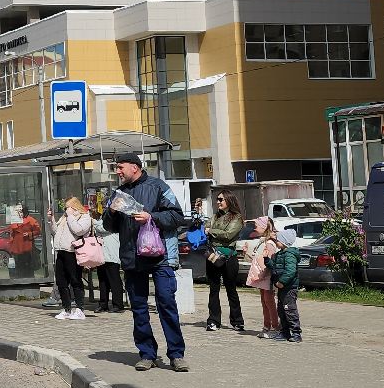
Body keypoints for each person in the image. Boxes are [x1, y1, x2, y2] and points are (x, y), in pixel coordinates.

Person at [102, 152, 187, 372]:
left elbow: (178, 217)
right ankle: (147, 354)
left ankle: (176, 354)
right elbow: (109, 227)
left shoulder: (158, 186)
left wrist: (152, 218)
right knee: (139, 308)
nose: (118, 172)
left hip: (160, 258)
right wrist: (111, 211)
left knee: (166, 304)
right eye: (116, 168)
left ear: (135, 167)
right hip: (132, 259)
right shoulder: (118, 193)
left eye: (121, 167)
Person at [204, 191, 247, 333]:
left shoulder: (237, 217)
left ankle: (237, 321)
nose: (218, 202)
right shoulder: (215, 216)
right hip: (213, 256)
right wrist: (210, 230)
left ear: (228, 200)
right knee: (213, 289)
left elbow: (229, 235)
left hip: (229, 257)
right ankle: (213, 321)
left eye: (221, 199)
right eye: (217, 199)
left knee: (231, 290)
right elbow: (206, 227)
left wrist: (211, 231)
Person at [50, 198, 95, 320]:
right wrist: (52, 220)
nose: (66, 209)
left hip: (73, 252)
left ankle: (80, 309)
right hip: (61, 250)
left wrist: (70, 216)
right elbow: (55, 232)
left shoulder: (84, 216)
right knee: (61, 281)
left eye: (68, 206)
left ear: (74, 206)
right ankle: (66, 308)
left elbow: (79, 230)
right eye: (65, 207)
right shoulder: (64, 217)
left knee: (75, 280)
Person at [244, 218, 283, 339]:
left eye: (256, 225)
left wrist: (265, 274)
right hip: (261, 277)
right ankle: (267, 325)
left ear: (264, 227)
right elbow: (258, 259)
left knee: (269, 301)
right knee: (264, 301)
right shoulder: (262, 242)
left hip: (267, 277)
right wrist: (247, 254)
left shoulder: (269, 243)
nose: (254, 228)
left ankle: (275, 327)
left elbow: (269, 261)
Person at [271, 227, 303, 343]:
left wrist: (282, 282)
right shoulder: (280, 254)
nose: (276, 242)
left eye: (278, 240)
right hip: (282, 288)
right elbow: (275, 267)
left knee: (289, 309)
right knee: (281, 310)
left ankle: (296, 333)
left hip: (289, 287)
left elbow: (290, 271)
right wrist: (267, 260)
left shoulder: (289, 254)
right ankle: (284, 332)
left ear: (284, 242)